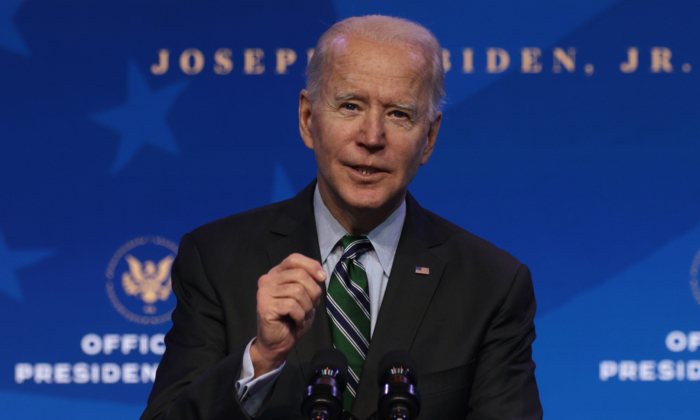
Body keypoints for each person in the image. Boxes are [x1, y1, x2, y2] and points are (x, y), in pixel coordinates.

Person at [141, 15, 542, 420]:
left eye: (399, 114)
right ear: (308, 119)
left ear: (429, 138)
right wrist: (260, 359)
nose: (371, 137)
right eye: (350, 106)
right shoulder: (216, 261)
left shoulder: (491, 285)